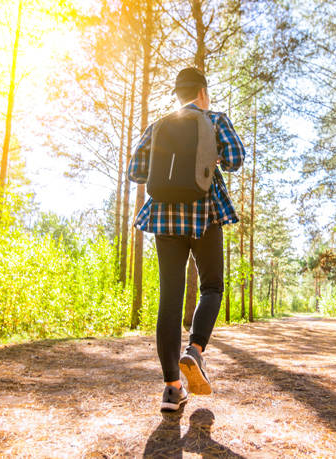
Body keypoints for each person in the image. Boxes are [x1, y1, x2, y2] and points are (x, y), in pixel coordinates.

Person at [127, 67, 246, 412]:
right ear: (203, 93)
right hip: (205, 214)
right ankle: (194, 351)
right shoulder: (214, 119)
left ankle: (171, 389)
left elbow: (136, 171)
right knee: (212, 287)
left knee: (170, 298)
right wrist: (211, 157)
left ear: (178, 96)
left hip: (163, 217)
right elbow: (236, 158)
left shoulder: (159, 125)